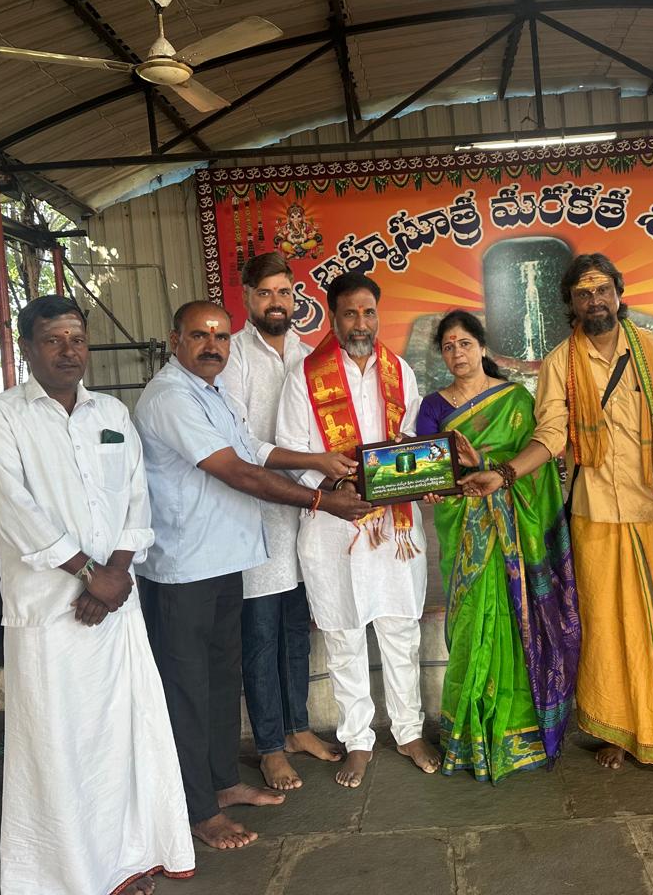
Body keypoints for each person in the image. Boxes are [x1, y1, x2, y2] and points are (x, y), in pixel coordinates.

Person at [0, 295, 192, 895]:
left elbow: (136, 498)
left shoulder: (110, 412)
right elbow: (15, 510)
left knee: (123, 737)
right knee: (59, 749)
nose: (69, 352)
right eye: (53, 340)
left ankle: (128, 860)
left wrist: (114, 573)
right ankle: (69, 877)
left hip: (116, 607)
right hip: (49, 610)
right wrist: (91, 573)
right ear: (26, 348)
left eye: (77, 339)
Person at [134, 300, 370, 850]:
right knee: (188, 691)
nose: (212, 345)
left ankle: (221, 783)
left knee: (221, 681)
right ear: (175, 340)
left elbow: (254, 451)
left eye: (220, 336)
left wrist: (317, 460)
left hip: (222, 562)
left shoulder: (213, 392)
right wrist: (321, 501)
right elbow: (237, 472)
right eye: (199, 335)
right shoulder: (170, 397)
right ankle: (197, 809)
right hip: (183, 570)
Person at [461, 254, 653, 771]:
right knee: (602, 626)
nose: (595, 301)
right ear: (571, 303)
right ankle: (615, 730)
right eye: (584, 294)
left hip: (649, 507)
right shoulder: (560, 362)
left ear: (618, 294)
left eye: (602, 290)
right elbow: (551, 435)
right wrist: (505, 474)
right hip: (592, 510)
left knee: (652, 624)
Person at [276, 272, 441, 788]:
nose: (361, 323)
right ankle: (358, 740)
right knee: (344, 633)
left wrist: (422, 476)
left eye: (369, 312)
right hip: (334, 526)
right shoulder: (306, 375)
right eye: (350, 313)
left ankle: (409, 731)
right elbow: (292, 449)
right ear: (333, 317)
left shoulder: (399, 371)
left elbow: (412, 439)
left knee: (400, 629)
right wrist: (334, 489)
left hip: (394, 528)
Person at [414, 311, 581, 782]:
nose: (457, 354)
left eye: (465, 343)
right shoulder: (432, 406)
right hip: (465, 534)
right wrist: (435, 486)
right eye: (448, 347)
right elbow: (431, 470)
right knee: (471, 625)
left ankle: (519, 730)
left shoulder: (515, 400)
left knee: (515, 618)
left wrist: (484, 459)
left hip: (514, 536)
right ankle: (469, 734)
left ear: (482, 347)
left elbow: (538, 466)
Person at [220, 253, 347, 791]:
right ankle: (270, 745)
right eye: (266, 292)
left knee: (297, 629)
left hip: (307, 513)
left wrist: (333, 472)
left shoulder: (307, 354)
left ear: (297, 298)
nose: (276, 302)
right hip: (255, 513)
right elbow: (239, 443)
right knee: (261, 635)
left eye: (285, 292)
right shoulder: (233, 356)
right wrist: (315, 462)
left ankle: (297, 729)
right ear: (248, 297)